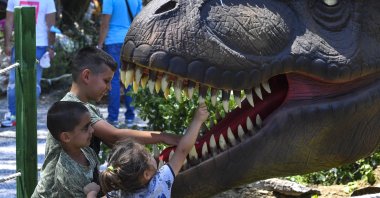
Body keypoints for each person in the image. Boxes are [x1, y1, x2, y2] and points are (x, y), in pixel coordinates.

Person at [32, 46, 181, 197]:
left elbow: (119, 146)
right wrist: (163, 136)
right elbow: (115, 137)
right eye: (106, 81)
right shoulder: (73, 109)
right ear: (87, 76)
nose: (110, 88)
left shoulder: (85, 108)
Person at [87, 103, 209, 197]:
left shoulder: (117, 194)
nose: (151, 155)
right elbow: (183, 149)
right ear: (146, 174)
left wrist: (91, 193)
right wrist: (197, 120)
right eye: (147, 154)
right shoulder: (161, 182)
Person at [3, 0, 56, 125]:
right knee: (16, 81)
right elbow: (9, 21)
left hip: (40, 45)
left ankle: (25, 115)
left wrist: (51, 47)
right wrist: (7, 44)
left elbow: (51, 25)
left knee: (31, 82)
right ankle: (16, 115)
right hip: (20, 44)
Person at [97, 0, 143, 127]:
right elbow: (140, 23)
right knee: (129, 79)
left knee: (114, 80)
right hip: (131, 42)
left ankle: (113, 117)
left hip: (113, 42)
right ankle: (130, 117)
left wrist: (99, 44)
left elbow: (105, 23)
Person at [39, 101, 100, 197]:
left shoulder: (88, 151)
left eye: (90, 125)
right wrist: (92, 193)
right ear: (66, 137)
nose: (92, 130)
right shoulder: (65, 174)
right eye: (85, 128)